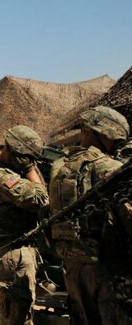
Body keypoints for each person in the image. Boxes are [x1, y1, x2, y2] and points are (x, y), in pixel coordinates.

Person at [49, 106, 131, 325]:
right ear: (104, 134)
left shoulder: (59, 168)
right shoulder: (108, 167)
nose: (116, 145)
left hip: (73, 267)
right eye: (115, 140)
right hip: (108, 269)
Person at [0, 125, 49, 325]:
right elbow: (40, 199)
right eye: (28, 157)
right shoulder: (0, 177)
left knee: (18, 313)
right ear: (16, 153)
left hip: (10, 252)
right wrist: (30, 169)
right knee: (16, 318)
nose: (31, 163)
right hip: (11, 255)